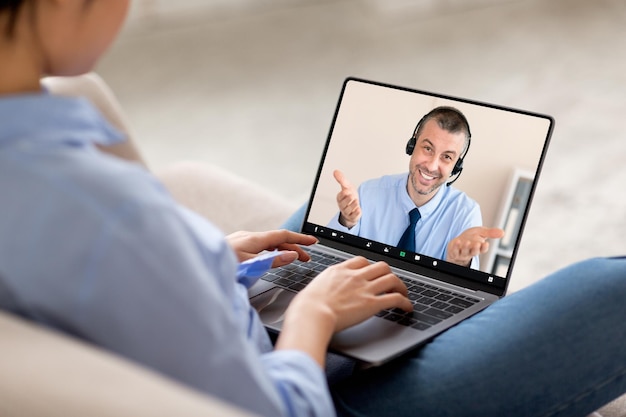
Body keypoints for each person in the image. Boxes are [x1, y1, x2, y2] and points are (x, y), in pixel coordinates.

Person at [0, 2, 625, 417]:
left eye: (447, 158)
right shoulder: (112, 214)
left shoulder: (60, 189)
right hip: (295, 388)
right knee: (612, 289)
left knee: (318, 234)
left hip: (226, 329)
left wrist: (208, 258)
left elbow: (101, 279)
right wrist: (316, 316)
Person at [328, 106, 505, 269]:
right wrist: (347, 221)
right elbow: (332, 260)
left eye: (447, 157)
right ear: (412, 145)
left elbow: (463, 291)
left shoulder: (466, 212)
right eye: (428, 148)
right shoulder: (369, 192)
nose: (432, 166)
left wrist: (459, 264)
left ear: (456, 166)